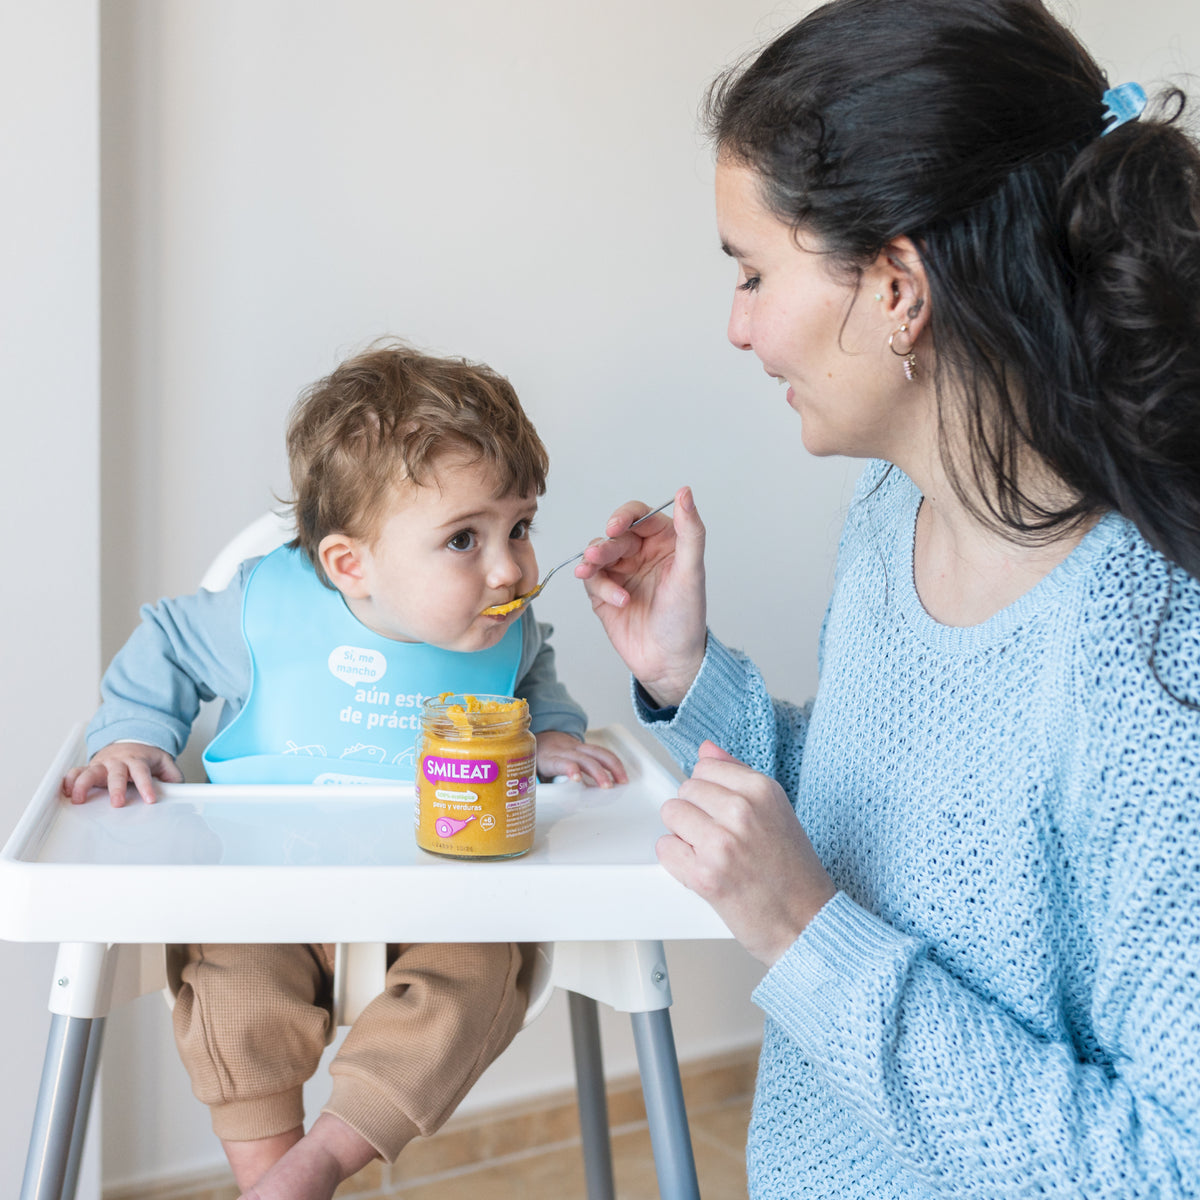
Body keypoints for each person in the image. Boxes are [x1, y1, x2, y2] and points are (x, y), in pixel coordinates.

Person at [578, 1, 1200, 1196]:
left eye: (756, 272)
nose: (739, 325)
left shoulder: (1151, 657)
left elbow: (1163, 1167)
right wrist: (687, 676)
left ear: (900, 288)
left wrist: (806, 937)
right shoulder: (890, 520)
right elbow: (886, 833)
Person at [62, 341, 625, 1200]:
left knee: (482, 976)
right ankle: (269, 1176)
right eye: (464, 539)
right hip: (266, 894)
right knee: (231, 988)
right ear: (349, 564)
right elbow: (168, 643)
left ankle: (318, 1164)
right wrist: (133, 734)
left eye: (520, 526)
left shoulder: (503, 624)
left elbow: (531, 677)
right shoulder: (263, 612)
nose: (510, 568)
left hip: (443, 898)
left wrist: (550, 733)